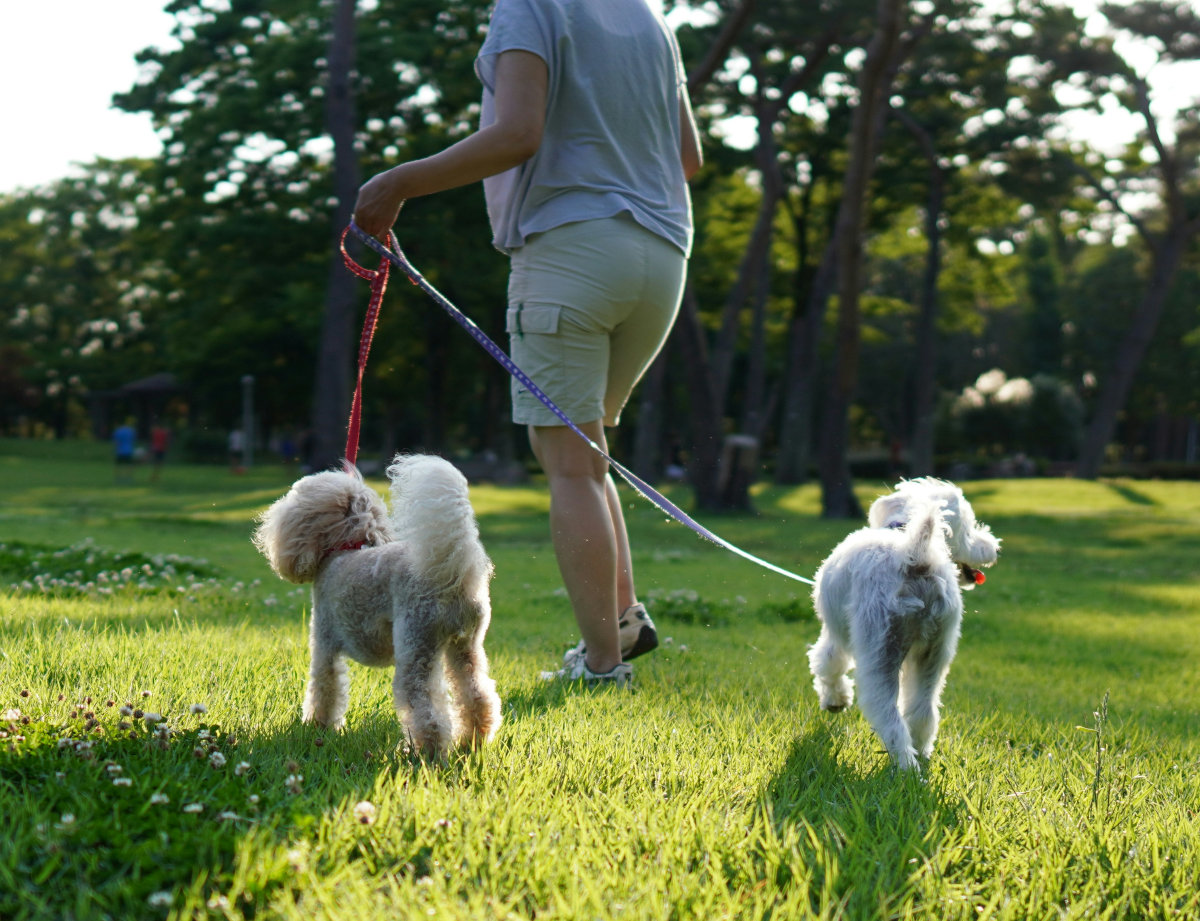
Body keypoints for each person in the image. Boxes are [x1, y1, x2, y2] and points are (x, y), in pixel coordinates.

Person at [354, 0, 702, 686]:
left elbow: (518, 133)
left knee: (570, 463)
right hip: (662, 256)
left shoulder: (530, 5)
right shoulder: (652, 18)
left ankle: (601, 665)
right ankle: (624, 623)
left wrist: (394, 184)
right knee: (589, 455)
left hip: (573, 249)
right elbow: (688, 158)